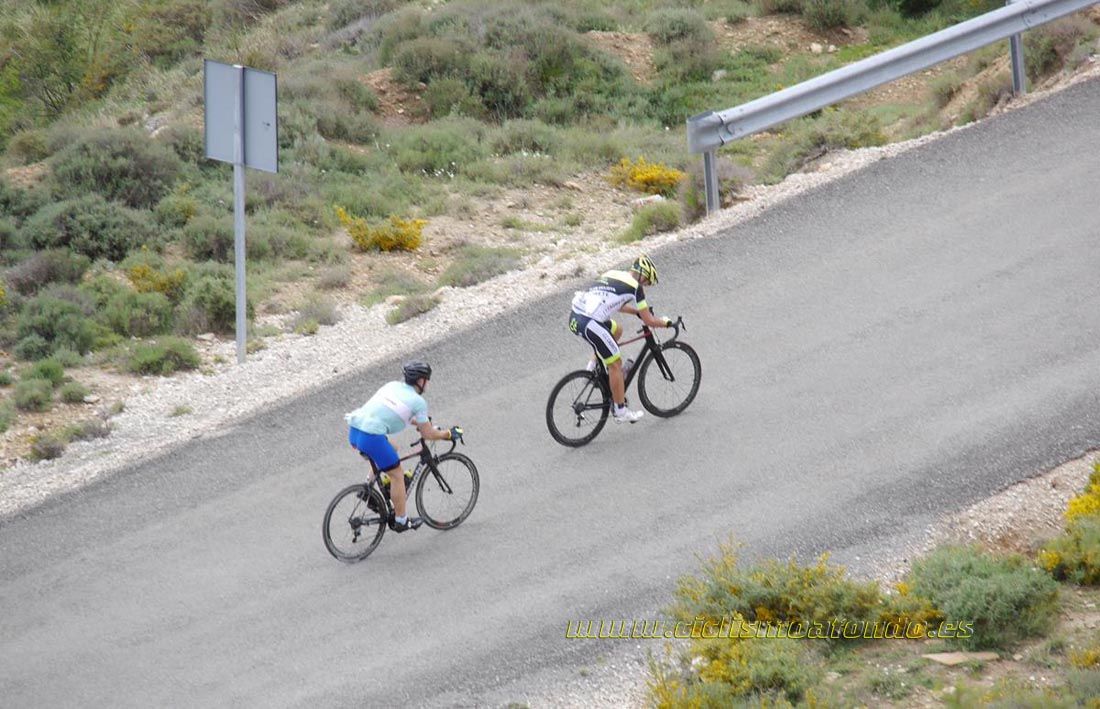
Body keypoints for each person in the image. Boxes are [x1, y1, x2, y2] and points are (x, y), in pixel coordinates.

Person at [345, 361, 461, 532]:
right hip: (371, 436)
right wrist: (448, 434)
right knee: (397, 474)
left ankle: (368, 488)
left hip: (355, 430)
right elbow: (428, 435)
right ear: (420, 381)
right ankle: (401, 520)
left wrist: (420, 423)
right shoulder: (418, 402)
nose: (427, 383)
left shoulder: (392, 386)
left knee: (392, 448)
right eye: (426, 380)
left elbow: (397, 412)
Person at [568, 254, 673, 423]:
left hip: (576, 317)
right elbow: (649, 321)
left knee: (617, 330)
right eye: (646, 282)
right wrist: (666, 323)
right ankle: (620, 410)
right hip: (589, 323)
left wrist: (636, 312)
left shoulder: (613, 274)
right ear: (642, 275)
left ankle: (591, 370)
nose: (645, 286)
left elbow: (617, 304)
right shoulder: (636, 288)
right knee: (615, 363)